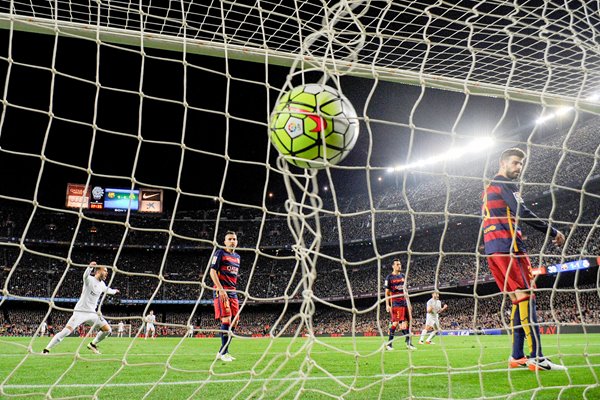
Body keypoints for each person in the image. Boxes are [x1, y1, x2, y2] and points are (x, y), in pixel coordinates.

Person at [482, 147, 567, 371]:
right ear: (503, 163)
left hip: (493, 249)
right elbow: (521, 210)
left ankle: (516, 355)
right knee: (527, 297)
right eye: (515, 163)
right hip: (509, 248)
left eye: (521, 164)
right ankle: (537, 357)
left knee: (518, 300)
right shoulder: (504, 183)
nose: (519, 167)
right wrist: (553, 231)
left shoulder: (489, 187)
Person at [43, 261, 119, 354]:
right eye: (105, 270)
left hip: (92, 313)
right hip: (80, 312)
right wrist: (89, 268)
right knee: (66, 332)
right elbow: (85, 276)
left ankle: (92, 344)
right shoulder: (89, 280)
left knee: (107, 330)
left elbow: (107, 290)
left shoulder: (102, 284)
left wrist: (115, 291)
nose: (107, 273)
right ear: (98, 271)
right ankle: (46, 350)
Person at [209, 231, 241, 362]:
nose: (232, 241)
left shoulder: (238, 257)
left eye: (234, 239)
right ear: (225, 241)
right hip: (221, 291)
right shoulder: (220, 253)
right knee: (226, 320)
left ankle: (222, 351)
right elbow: (212, 272)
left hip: (233, 292)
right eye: (230, 239)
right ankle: (223, 353)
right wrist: (221, 290)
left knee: (235, 321)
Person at [384, 258, 416, 351]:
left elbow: (405, 290)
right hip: (396, 303)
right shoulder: (389, 277)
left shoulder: (402, 276)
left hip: (404, 302)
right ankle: (389, 344)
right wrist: (387, 304)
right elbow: (387, 292)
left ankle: (408, 343)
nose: (399, 266)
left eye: (400, 264)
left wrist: (409, 303)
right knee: (395, 322)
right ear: (393, 266)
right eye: (397, 264)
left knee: (405, 323)